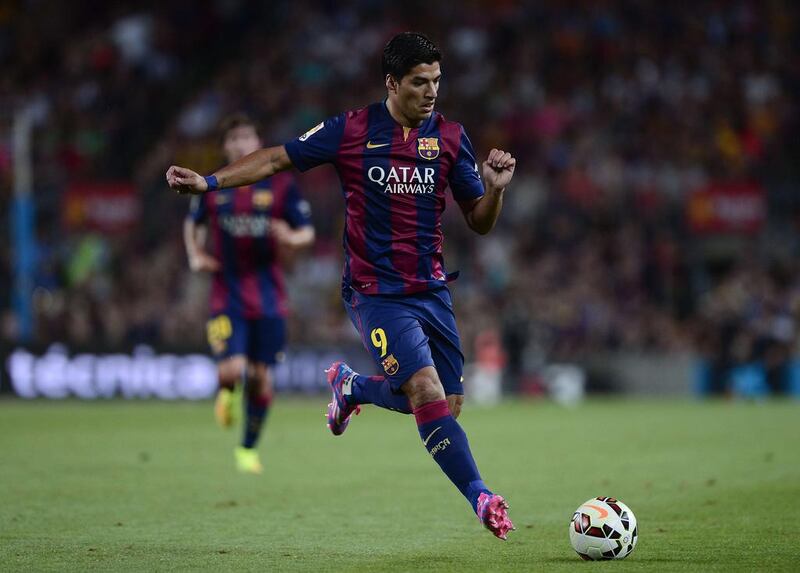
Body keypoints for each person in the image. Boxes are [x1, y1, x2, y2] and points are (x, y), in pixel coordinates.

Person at [168, 33, 516, 539]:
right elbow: (275, 159)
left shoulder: (450, 138)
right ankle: (481, 496)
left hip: (432, 290)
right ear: (393, 83)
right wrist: (211, 183)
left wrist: (495, 191)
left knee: (447, 405)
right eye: (420, 82)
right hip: (375, 291)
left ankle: (352, 386)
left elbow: (479, 221)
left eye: (437, 81)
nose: (432, 91)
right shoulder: (350, 129)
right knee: (424, 389)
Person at [183, 113, 315, 474]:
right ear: (226, 146)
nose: (241, 144)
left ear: (258, 143)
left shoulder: (281, 187)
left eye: (247, 137)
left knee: (259, 377)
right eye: (234, 138)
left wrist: (290, 237)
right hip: (225, 293)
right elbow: (191, 223)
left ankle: (247, 449)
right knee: (232, 370)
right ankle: (226, 393)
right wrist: (195, 255)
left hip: (270, 295)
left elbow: (306, 232)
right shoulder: (212, 187)